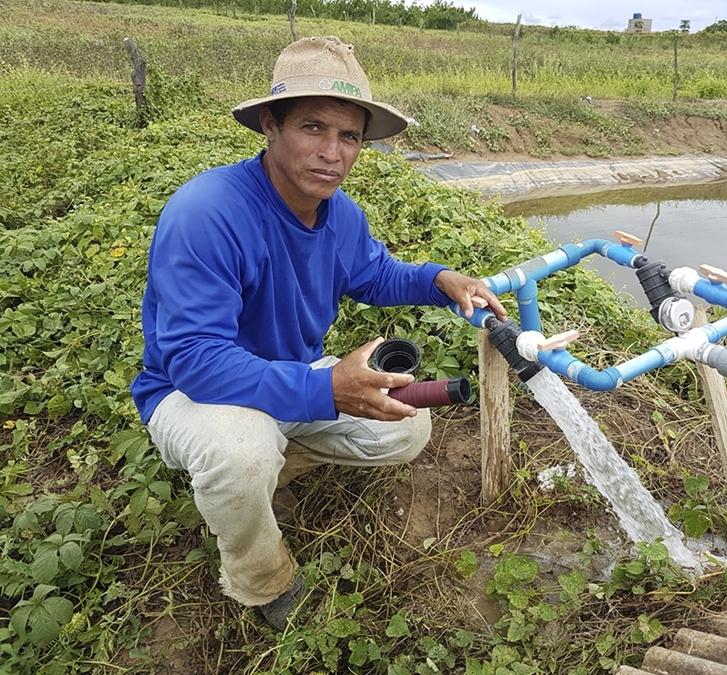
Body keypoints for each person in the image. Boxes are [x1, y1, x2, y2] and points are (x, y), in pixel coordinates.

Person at [130, 36, 506, 630]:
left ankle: (265, 465)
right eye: (313, 127)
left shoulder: (339, 214)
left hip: (290, 379)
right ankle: (261, 579)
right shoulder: (208, 212)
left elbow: (375, 273)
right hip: (188, 392)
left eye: (349, 136)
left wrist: (441, 279)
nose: (332, 152)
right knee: (237, 449)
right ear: (269, 125)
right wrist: (327, 390)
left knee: (405, 429)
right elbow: (196, 360)